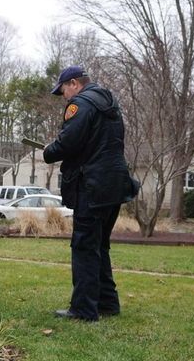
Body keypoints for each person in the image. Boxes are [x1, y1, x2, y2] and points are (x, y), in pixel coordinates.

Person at [43, 65, 139, 321]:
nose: (64, 96)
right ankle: (107, 302)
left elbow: (68, 142)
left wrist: (48, 151)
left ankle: (83, 308)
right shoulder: (110, 104)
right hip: (115, 184)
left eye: (63, 89)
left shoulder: (80, 104)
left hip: (92, 186)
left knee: (84, 246)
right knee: (99, 245)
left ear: (74, 83)